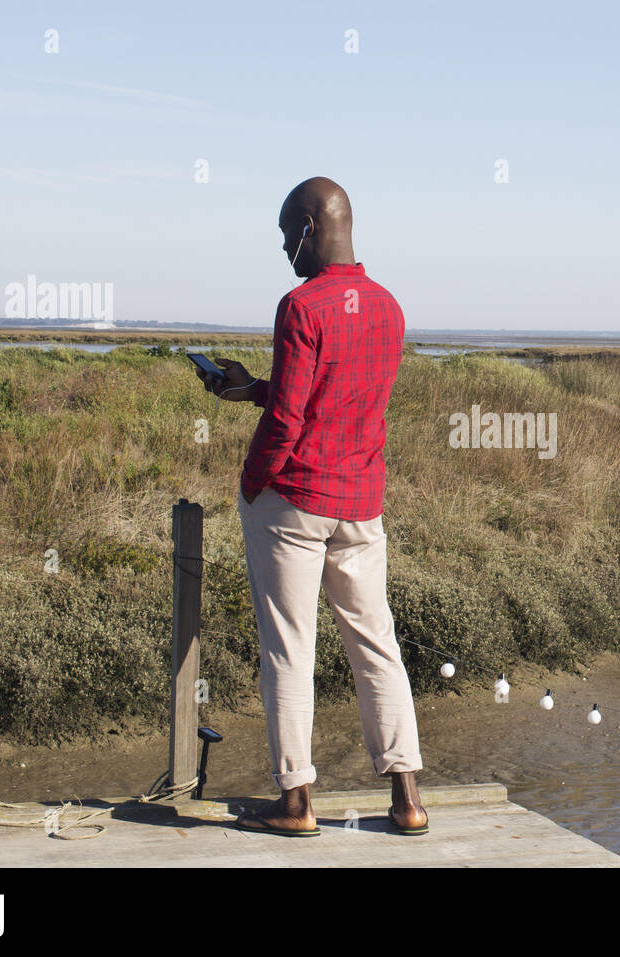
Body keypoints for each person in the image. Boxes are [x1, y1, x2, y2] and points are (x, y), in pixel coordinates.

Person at [194, 176, 428, 837]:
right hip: (361, 503)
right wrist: (251, 389)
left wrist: (250, 481)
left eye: (282, 236)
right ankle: (407, 796)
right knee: (376, 643)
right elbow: (336, 396)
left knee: (290, 649)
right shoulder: (388, 307)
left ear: (307, 227)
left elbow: (293, 420)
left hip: (295, 502)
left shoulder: (300, 306)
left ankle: (296, 802)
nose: (283, 251)